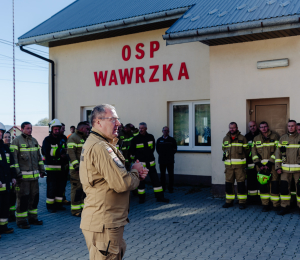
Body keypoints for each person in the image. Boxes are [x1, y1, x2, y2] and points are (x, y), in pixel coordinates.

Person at [80, 104, 148, 260]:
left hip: (105, 221)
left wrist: (133, 173)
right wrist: (136, 171)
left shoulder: (101, 143)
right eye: (113, 119)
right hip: (104, 223)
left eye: (118, 120)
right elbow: (122, 183)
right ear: (98, 122)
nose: (118, 124)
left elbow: (114, 178)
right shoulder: (101, 147)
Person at [11, 122, 45, 229]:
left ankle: (33, 218)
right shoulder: (16, 141)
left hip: (34, 178)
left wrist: (42, 170)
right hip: (23, 179)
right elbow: (14, 160)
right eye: (27, 128)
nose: (30, 130)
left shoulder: (34, 141)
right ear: (22, 129)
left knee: (35, 198)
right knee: (23, 199)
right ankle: (21, 221)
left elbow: (39, 158)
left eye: (31, 128)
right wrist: (17, 174)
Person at [130, 122, 169, 204]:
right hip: (141, 166)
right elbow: (132, 151)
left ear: (146, 128)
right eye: (140, 128)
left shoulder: (151, 137)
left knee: (156, 182)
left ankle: (160, 197)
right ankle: (141, 198)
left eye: (142, 128)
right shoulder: (135, 139)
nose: (140, 129)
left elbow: (153, 149)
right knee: (141, 184)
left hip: (151, 165)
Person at [252, 121, 280, 212]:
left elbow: (277, 151)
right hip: (260, 167)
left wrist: (270, 163)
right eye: (261, 127)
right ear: (259, 128)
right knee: (263, 186)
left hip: (272, 166)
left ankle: (275, 205)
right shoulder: (256, 139)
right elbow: (253, 152)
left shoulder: (275, 137)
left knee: (274, 185)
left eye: (265, 126)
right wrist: (259, 164)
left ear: (268, 127)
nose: (263, 128)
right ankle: (265, 205)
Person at [42, 119, 67, 213]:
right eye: (55, 129)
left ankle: (59, 204)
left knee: (61, 187)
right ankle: (50, 206)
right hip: (52, 168)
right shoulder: (47, 140)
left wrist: (65, 155)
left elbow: (66, 149)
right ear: (51, 129)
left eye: (58, 129)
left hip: (62, 168)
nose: (57, 131)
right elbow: (47, 152)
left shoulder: (63, 138)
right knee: (51, 188)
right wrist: (60, 153)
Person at [222, 122, 249, 210]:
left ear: (236, 128)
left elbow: (247, 151)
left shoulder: (242, 138)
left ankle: (242, 202)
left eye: (233, 128)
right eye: (230, 128)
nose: (232, 129)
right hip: (229, 167)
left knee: (241, 185)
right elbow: (224, 149)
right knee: (228, 184)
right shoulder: (225, 138)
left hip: (240, 167)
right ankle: (229, 201)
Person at [275, 120, 300, 215]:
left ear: (296, 127)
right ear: (287, 127)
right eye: (289, 126)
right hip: (285, 170)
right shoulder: (282, 138)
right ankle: (284, 207)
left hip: (298, 170)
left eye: (293, 126)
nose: (291, 127)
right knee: (284, 189)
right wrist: (278, 167)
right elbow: (278, 154)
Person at [67, 121, 90, 217]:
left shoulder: (83, 138)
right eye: (87, 129)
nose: (89, 131)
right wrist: (76, 166)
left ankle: (82, 208)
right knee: (76, 189)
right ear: (82, 129)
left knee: (83, 189)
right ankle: (75, 210)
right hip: (76, 170)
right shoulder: (73, 138)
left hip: (85, 169)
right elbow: (71, 153)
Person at [0, 123, 16, 236]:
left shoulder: (5, 148)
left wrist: (14, 177)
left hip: (6, 183)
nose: (0, 134)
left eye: (1, 132)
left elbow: (11, 165)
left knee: (5, 206)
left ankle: (3, 227)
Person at [156, 126, 177, 193]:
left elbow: (175, 149)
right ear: (162, 131)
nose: (166, 132)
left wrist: (170, 154)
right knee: (162, 175)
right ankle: (163, 188)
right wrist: (162, 155)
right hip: (162, 160)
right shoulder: (159, 140)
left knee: (171, 175)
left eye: (167, 130)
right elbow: (157, 149)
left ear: (169, 132)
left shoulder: (172, 140)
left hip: (170, 160)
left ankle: (170, 188)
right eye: (165, 130)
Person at [245, 121, 260, 204]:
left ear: (256, 126)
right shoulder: (246, 137)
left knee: (261, 181)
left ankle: (260, 200)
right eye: (251, 126)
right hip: (250, 163)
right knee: (251, 182)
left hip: (260, 163)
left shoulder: (261, 135)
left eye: (254, 125)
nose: (252, 127)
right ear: (249, 128)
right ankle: (251, 199)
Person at [3, 131, 17, 222]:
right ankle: (6, 215)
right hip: (3, 177)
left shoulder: (11, 148)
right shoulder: (2, 149)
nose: (8, 138)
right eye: (6, 137)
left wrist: (14, 177)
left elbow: (13, 164)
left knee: (12, 197)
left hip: (10, 177)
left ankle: (11, 215)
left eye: (9, 137)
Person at [60, 123, 70, 206]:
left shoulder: (64, 138)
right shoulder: (53, 138)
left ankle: (63, 198)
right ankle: (58, 200)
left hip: (65, 164)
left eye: (64, 128)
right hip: (57, 164)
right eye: (62, 128)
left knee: (63, 184)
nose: (64, 130)